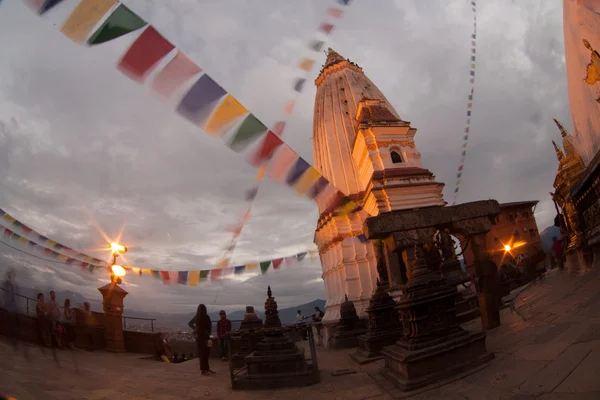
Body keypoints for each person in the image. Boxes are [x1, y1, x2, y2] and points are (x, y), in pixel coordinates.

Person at [188, 304, 215, 375]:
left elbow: (190, 323)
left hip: (199, 338)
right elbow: (209, 327)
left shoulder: (197, 317)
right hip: (205, 337)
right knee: (206, 354)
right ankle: (205, 369)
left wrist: (196, 329)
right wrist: (208, 332)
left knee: (202, 354)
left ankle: (204, 369)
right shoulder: (206, 317)